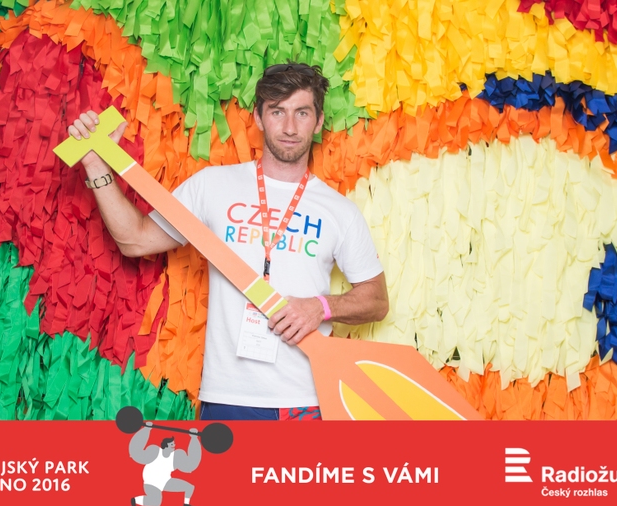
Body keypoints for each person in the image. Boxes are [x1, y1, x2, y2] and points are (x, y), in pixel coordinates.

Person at [67, 63, 388, 420]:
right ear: (259, 117)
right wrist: (96, 165)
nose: (289, 127)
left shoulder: (339, 211)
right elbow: (135, 240)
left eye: (302, 113)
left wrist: (320, 307)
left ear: (318, 121)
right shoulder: (212, 186)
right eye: (277, 111)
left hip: (305, 399)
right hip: (226, 395)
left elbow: (377, 301)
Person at [129, 423, 201, 506]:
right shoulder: (155, 452)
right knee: (155, 503)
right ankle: (135, 500)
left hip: (165, 481)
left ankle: (186, 504)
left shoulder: (175, 457)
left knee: (189, 487)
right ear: (166, 445)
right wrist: (146, 430)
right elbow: (137, 452)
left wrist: (194, 438)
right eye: (172, 444)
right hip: (152, 482)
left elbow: (191, 464)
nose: (174, 446)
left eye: (174, 444)